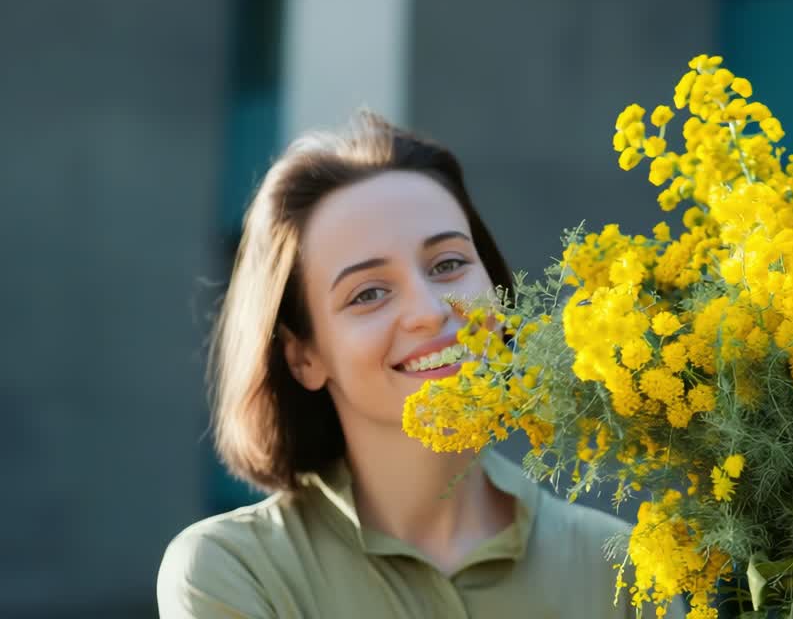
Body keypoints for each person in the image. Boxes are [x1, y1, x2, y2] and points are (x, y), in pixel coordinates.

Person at [158, 111, 672, 618]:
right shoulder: (231, 571)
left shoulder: (623, 568)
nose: (429, 312)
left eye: (448, 265)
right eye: (369, 293)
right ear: (303, 356)